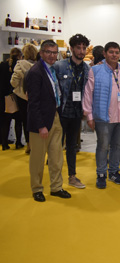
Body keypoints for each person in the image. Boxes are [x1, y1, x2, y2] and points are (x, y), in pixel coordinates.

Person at [25, 40, 71, 202]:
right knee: (37, 158)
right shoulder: (36, 72)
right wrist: (40, 125)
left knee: (56, 156)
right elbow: (33, 102)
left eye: (54, 52)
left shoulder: (52, 70)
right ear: (41, 53)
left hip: (55, 117)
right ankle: (37, 189)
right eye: (48, 52)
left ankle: (56, 187)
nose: (52, 56)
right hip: (41, 123)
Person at [83, 42, 120, 189]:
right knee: (103, 146)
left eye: (117, 52)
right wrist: (89, 116)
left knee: (117, 146)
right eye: (111, 52)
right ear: (104, 53)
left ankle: (114, 172)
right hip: (104, 117)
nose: (114, 55)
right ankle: (101, 174)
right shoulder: (95, 70)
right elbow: (88, 94)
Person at [53, 33, 91, 189]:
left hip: (76, 114)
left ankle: (72, 176)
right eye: (78, 48)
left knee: (72, 147)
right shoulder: (59, 66)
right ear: (71, 48)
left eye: (84, 48)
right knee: (55, 148)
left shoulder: (87, 69)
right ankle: (55, 179)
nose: (81, 51)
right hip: (60, 113)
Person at [10, 44, 38, 154]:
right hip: (35, 97)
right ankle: (35, 143)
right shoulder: (38, 65)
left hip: (22, 97)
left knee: (25, 121)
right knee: (35, 120)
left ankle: (28, 144)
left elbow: (13, 82)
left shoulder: (20, 65)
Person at [0, 47, 21, 150]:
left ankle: (4, 143)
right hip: (16, 96)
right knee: (18, 121)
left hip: (3, 96)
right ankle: (18, 142)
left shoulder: (2, 64)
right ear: (19, 55)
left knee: (5, 121)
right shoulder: (19, 66)